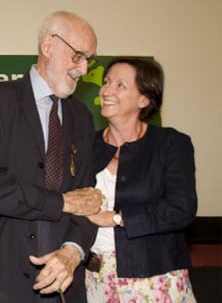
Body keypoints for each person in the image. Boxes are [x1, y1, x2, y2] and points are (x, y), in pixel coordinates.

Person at [0, 11, 103, 303]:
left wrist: (72, 252)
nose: (83, 69)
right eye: (77, 56)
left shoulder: (82, 117)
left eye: (89, 59)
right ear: (48, 46)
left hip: (63, 282)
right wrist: (62, 202)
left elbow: (88, 200)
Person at [85, 57, 197, 302]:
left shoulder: (170, 144)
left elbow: (181, 209)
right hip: (95, 279)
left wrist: (116, 218)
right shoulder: (85, 146)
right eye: (106, 82)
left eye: (120, 85)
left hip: (156, 278)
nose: (106, 90)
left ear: (144, 99)